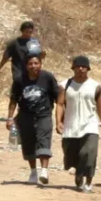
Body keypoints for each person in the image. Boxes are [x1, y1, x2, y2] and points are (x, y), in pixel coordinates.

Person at [56, 55, 101, 193]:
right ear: (73, 68)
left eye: (83, 67)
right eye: (78, 66)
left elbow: (100, 108)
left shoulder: (95, 86)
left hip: (90, 125)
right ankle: (79, 174)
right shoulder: (64, 85)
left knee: (89, 153)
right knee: (71, 155)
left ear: (88, 69)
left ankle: (89, 182)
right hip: (71, 126)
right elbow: (60, 104)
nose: (80, 69)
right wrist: (58, 122)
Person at [7, 52, 61, 185]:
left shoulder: (47, 77)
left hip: (44, 115)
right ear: (26, 66)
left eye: (36, 63)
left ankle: (44, 170)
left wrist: (61, 117)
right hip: (25, 116)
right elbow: (13, 100)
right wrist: (9, 117)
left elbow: (58, 97)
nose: (33, 66)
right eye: (30, 64)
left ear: (41, 64)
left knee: (44, 140)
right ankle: (33, 172)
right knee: (29, 143)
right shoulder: (20, 80)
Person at [0, 22, 42, 86]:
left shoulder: (34, 43)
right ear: (22, 31)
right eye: (26, 32)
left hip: (31, 71)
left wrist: (41, 55)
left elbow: (37, 57)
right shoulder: (14, 43)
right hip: (18, 71)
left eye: (30, 32)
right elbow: (5, 57)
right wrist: (0, 67)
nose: (28, 34)